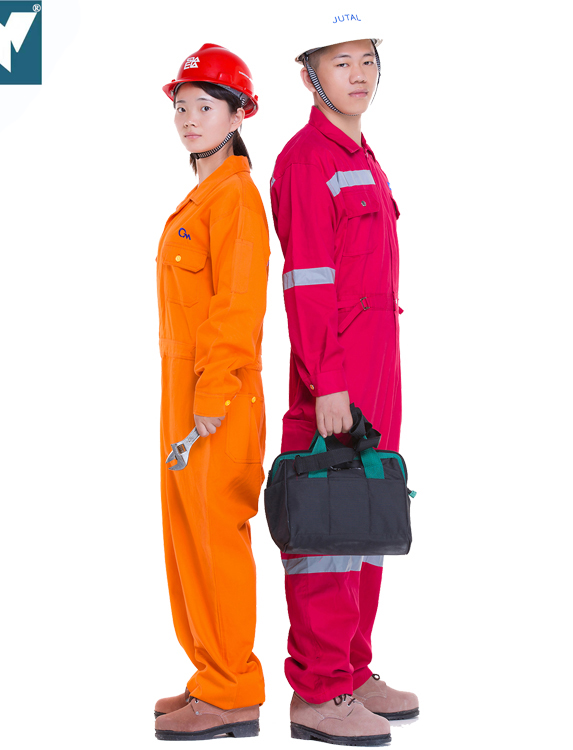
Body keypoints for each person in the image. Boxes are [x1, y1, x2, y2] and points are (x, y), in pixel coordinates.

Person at [269, 11, 419, 746]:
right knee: (326, 527)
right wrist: (326, 380)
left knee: (366, 517)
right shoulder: (306, 161)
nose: (358, 75)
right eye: (340, 62)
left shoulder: (363, 154)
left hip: (377, 364)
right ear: (308, 75)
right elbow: (307, 281)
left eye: (367, 60)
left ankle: (353, 671)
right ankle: (318, 691)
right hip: (333, 373)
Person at [154, 43, 270, 741]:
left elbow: (238, 308)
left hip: (216, 398)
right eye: (181, 106)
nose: (189, 118)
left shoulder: (236, 199)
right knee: (186, 540)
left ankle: (233, 690)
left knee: (216, 537)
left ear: (238, 115)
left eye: (205, 106)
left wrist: (212, 399)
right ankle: (210, 675)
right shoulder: (202, 197)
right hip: (184, 390)